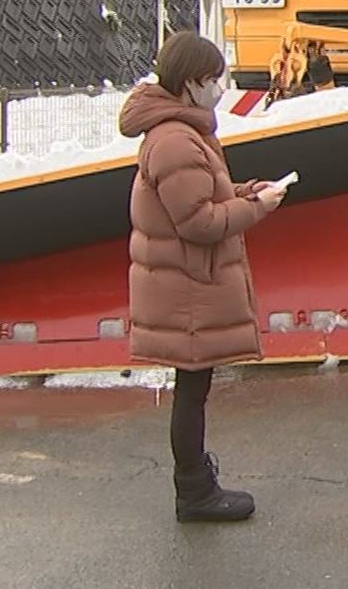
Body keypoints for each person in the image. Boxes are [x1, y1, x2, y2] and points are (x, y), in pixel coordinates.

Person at [119, 31, 288, 523]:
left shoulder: (182, 131)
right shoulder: (176, 140)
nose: (221, 88)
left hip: (185, 283)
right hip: (187, 287)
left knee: (193, 388)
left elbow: (202, 194)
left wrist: (247, 190)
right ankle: (194, 492)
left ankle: (195, 486)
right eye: (215, 79)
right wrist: (257, 207)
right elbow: (198, 222)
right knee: (191, 391)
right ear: (191, 83)